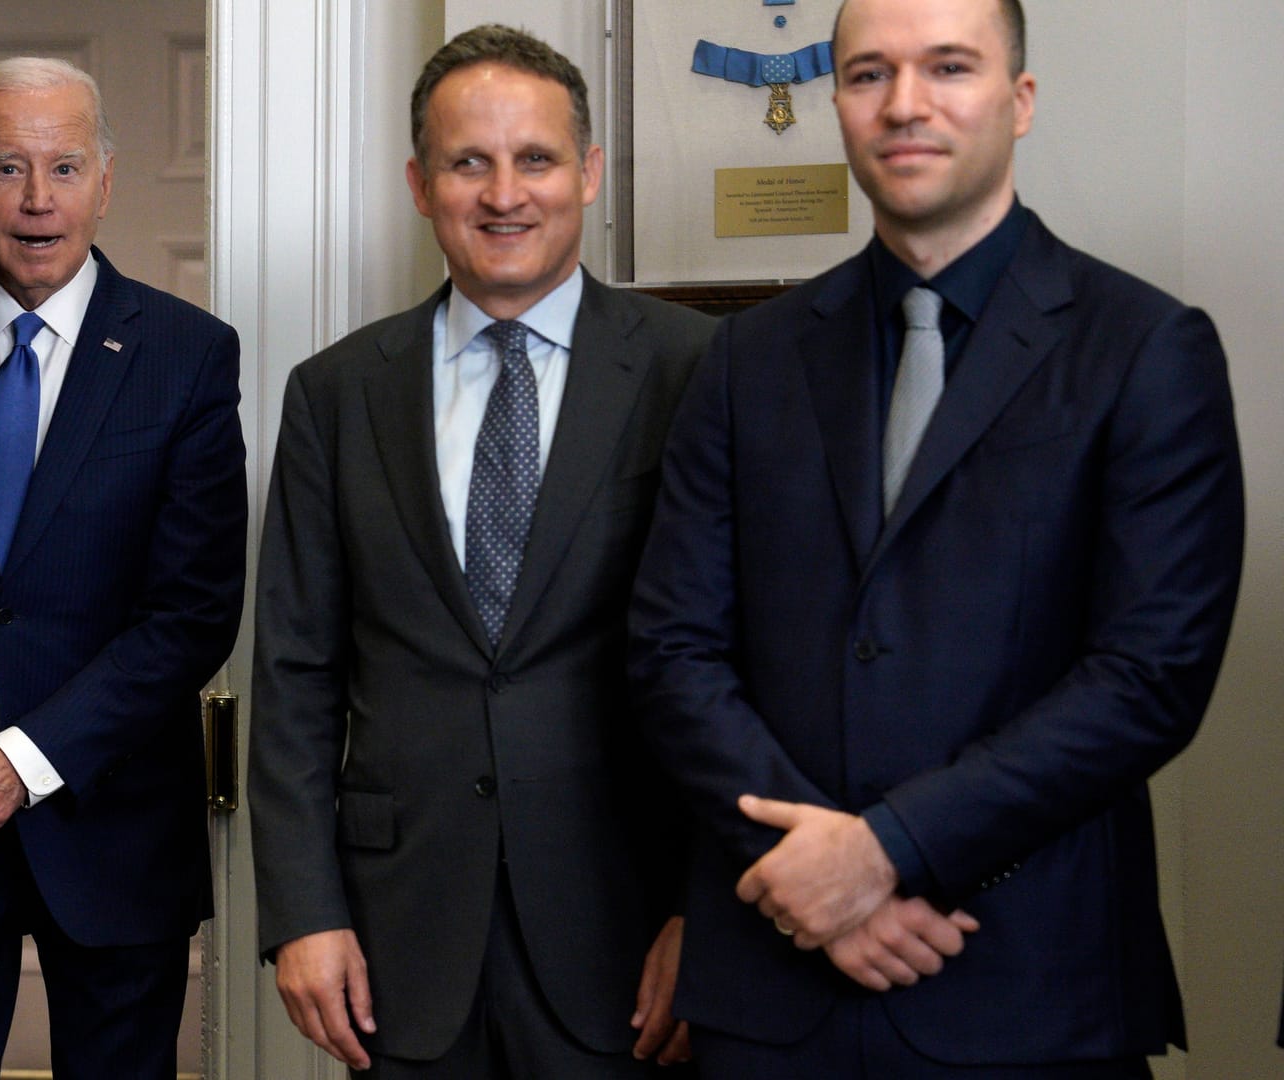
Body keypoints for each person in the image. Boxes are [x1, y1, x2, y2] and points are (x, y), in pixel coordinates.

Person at [629, 0, 1245, 1075]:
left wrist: (886, 854)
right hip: (773, 993)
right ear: (837, 105)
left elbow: (1150, 677)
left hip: (1026, 988)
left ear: (1020, 101)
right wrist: (813, 879)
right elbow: (674, 650)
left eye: (948, 67)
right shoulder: (744, 361)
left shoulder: (1143, 349)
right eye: (868, 74)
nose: (904, 104)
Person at [249, 24, 715, 1076]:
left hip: (630, 933)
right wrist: (301, 911)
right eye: (470, 162)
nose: (505, 193)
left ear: (588, 173)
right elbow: (294, 675)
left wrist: (709, 912)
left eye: (536, 159)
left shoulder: (699, 371)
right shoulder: (336, 394)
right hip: (397, 938)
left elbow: (739, 665)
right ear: (421, 184)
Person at [0, 57, 247, 1079]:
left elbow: (192, 615)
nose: (38, 200)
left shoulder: (187, 355)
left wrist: (23, 760)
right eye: (8, 167)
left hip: (113, 834)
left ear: (106, 180)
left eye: (65, 166)